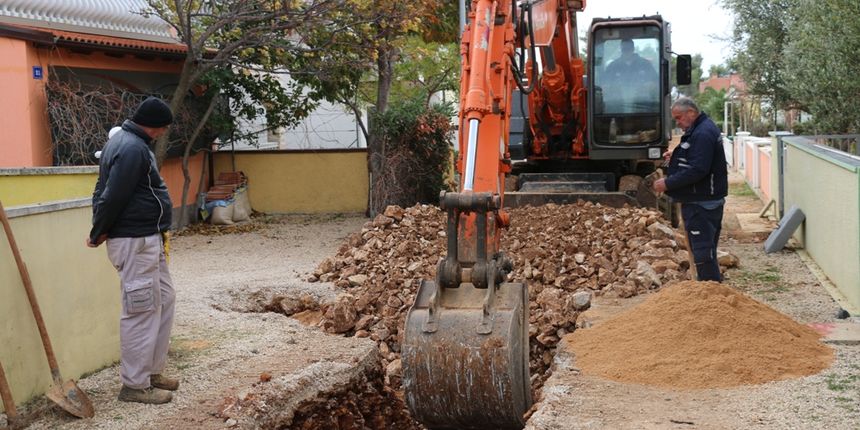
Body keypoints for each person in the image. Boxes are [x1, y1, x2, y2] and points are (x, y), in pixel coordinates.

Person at [86, 97, 179, 404]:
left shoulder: (128, 142)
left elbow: (105, 190)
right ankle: (134, 386)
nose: (163, 133)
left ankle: (151, 373)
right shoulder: (131, 148)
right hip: (135, 240)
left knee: (163, 300)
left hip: (146, 238)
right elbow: (111, 195)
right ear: (155, 125)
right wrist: (98, 230)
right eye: (163, 128)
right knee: (141, 309)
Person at [652, 97, 727, 282]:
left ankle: (710, 297)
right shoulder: (700, 129)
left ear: (691, 113)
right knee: (705, 252)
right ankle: (709, 293)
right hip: (701, 200)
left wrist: (667, 184)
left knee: (702, 254)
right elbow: (694, 156)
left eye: (679, 118)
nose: (677, 122)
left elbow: (698, 169)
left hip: (701, 203)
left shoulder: (703, 133)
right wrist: (676, 156)